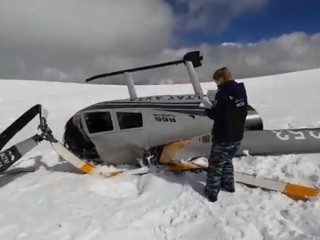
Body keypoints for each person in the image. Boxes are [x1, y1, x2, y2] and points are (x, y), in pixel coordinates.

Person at [203, 67, 248, 202]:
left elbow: (216, 115)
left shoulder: (222, 93)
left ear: (221, 79)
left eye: (216, 81)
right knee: (227, 160)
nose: (216, 84)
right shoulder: (240, 90)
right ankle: (229, 185)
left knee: (215, 164)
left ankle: (212, 192)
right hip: (238, 134)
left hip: (223, 135)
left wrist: (207, 108)